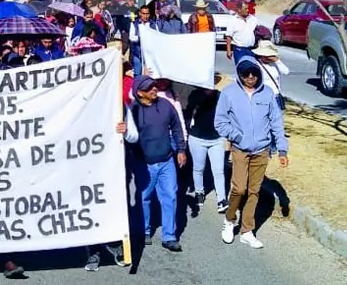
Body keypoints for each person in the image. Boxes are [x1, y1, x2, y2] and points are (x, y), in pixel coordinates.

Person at [215, 57, 289, 249]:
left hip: (262, 150)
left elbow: (276, 123)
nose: (250, 77)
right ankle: (230, 220)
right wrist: (236, 137)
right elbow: (220, 122)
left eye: (254, 73)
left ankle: (247, 230)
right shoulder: (229, 93)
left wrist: (282, 149)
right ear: (240, 74)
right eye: (246, 73)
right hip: (240, 149)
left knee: (254, 190)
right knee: (239, 188)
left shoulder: (267, 94)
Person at [121, 75, 187, 252]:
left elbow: (176, 127)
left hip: (166, 161)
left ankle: (169, 236)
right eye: (149, 88)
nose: (154, 89)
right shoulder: (132, 110)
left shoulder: (166, 105)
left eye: (154, 86)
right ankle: (145, 231)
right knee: (144, 199)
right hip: (144, 164)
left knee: (170, 197)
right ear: (139, 93)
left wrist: (181, 150)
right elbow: (128, 137)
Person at [185, 74, 229, 215]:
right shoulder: (194, 95)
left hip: (217, 138)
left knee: (219, 170)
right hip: (197, 138)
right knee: (199, 168)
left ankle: (222, 199)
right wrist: (205, 95)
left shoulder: (220, 96)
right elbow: (191, 108)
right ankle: (199, 192)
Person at [250, 40, 290, 110]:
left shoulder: (275, 64)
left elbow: (286, 72)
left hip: (275, 95)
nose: (268, 57)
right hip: (262, 96)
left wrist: (277, 61)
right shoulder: (256, 64)